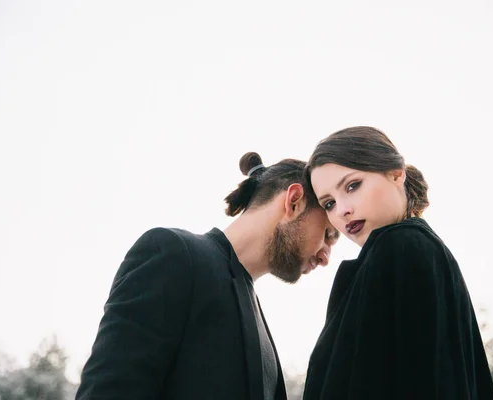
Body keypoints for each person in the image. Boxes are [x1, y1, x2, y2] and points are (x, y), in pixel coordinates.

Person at [76, 152, 339, 400]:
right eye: (328, 234)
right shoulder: (173, 254)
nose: (326, 256)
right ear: (294, 201)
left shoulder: (256, 312)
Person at [302, 127, 493, 399]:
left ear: (396, 173)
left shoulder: (400, 249)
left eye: (352, 185)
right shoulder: (415, 249)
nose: (343, 209)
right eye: (329, 203)